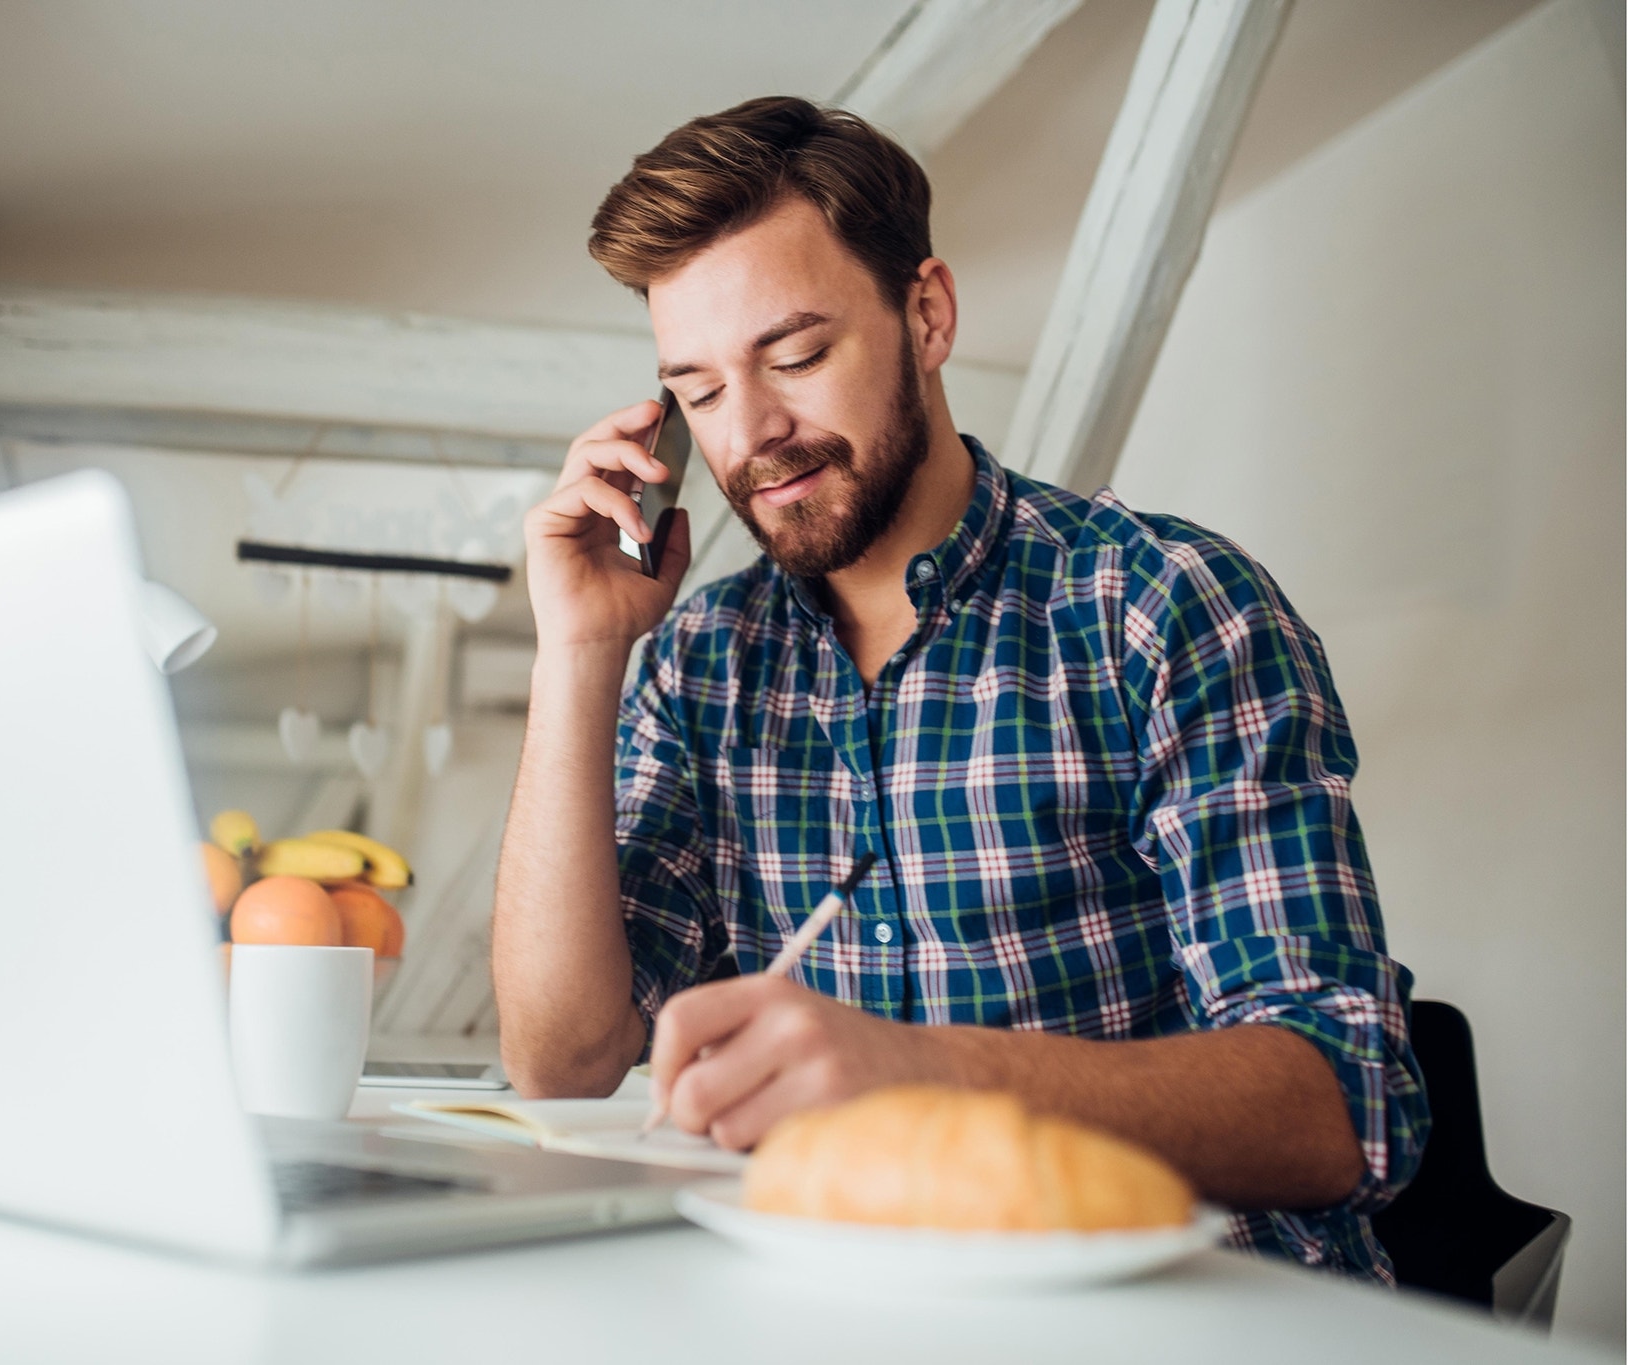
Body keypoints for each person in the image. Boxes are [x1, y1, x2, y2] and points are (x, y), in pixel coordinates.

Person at [490, 95, 1427, 1280]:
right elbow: (561, 1064)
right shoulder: (703, 661)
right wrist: (578, 651)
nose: (751, 433)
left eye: (795, 355)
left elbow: (1345, 1103)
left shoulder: (1160, 606)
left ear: (925, 314)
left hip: (1186, 1313)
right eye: (702, 392)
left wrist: (916, 1070)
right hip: (854, 1303)